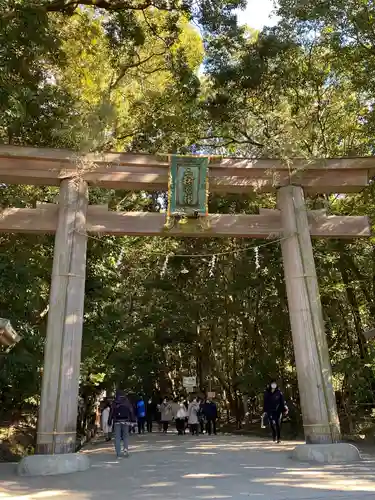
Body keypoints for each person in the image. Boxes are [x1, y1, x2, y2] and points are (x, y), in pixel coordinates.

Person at [108, 390, 135, 458]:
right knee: (125, 437)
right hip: (126, 421)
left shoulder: (115, 402)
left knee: (117, 438)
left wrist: (109, 420)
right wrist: (133, 420)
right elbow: (131, 411)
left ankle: (118, 453)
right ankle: (125, 450)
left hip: (117, 421)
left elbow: (111, 412)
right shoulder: (127, 401)